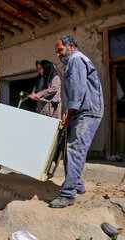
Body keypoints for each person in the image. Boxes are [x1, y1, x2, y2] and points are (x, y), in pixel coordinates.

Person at [50, 35, 104, 208]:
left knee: (74, 149)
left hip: (85, 112)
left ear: (71, 46)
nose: (58, 55)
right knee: (72, 149)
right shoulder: (76, 60)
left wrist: (69, 113)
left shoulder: (75, 60)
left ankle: (68, 195)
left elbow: (78, 91)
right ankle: (78, 184)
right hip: (84, 110)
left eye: (60, 50)